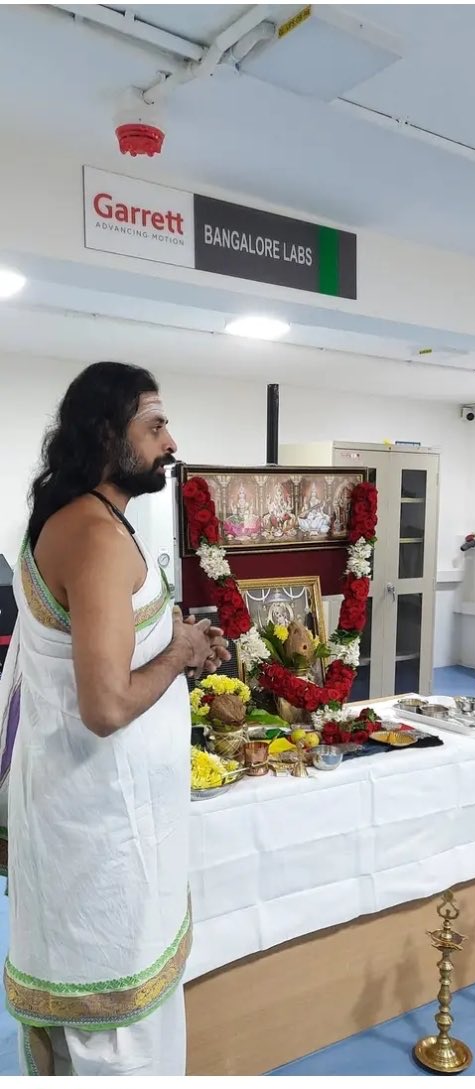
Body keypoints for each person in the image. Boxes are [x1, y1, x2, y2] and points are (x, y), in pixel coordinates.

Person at [0, 362, 230, 1075]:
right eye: (155, 424)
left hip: (109, 824)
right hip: (98, 836)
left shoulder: (97, 519)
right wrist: (180, 653)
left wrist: (177, 642)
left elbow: (114, 648)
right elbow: (103, 707)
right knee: (114, 1050)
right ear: (107, 434)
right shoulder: (94, 536)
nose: (170, 441)